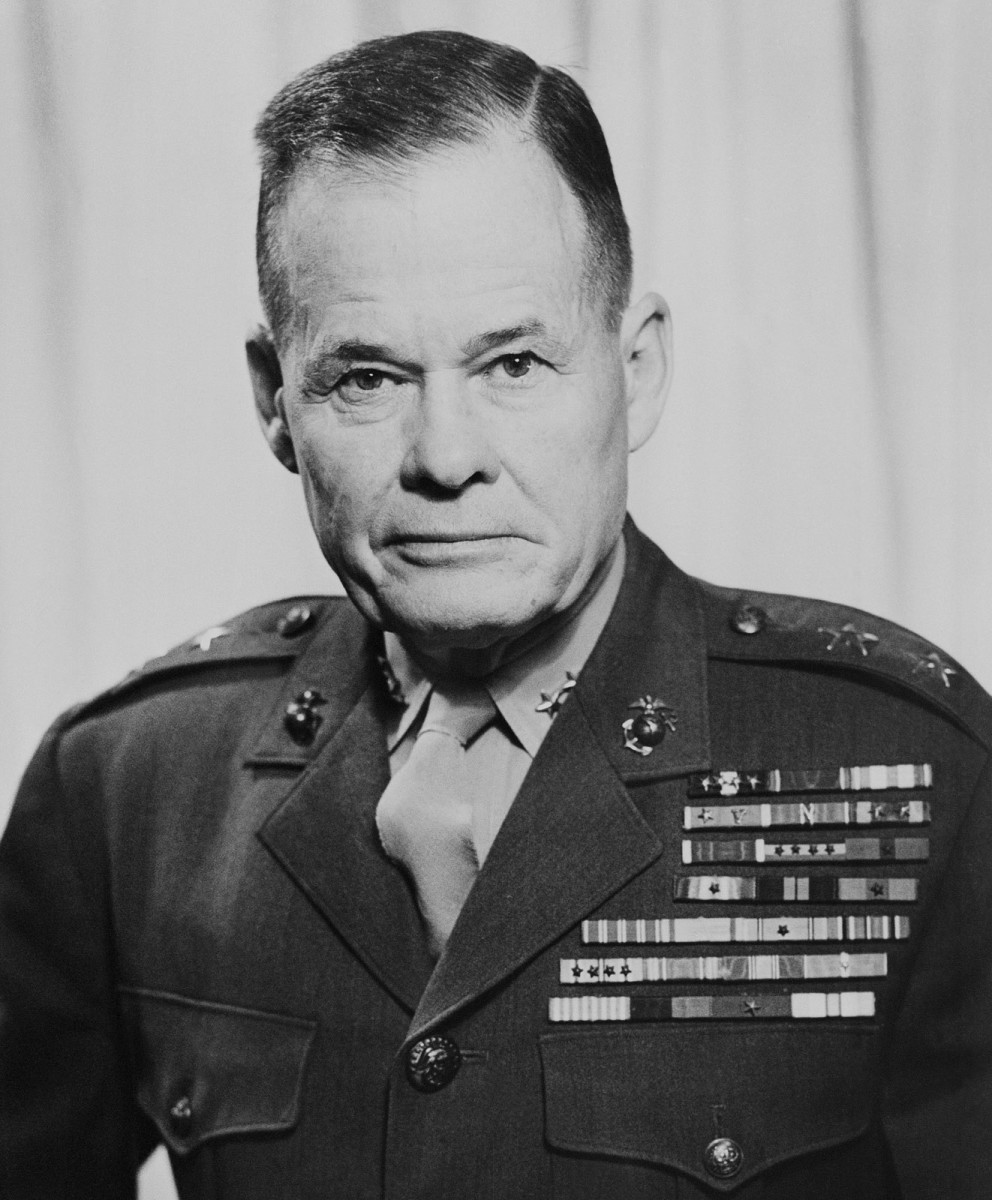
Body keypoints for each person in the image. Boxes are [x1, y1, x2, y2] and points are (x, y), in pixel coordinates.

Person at [1, 29, 989, 1200]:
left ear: (636, 370)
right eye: (367, 378)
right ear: (274, 402)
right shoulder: (128, 791)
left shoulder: (904, 772)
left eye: (512, 364)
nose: (445, 456)